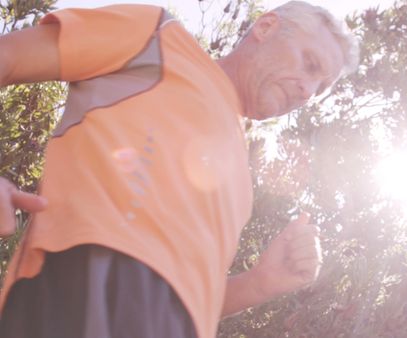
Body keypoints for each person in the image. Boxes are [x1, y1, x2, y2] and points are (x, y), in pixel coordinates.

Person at [0, 1, 359, 337]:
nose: (308, 91)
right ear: (266, 27)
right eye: (309, 65)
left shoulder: (241, 188)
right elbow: (9, 56)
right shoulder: (157, 35)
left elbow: (189, 300)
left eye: (321, 87)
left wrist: (260, 282)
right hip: (79, 288)